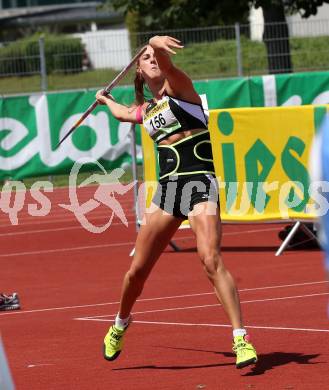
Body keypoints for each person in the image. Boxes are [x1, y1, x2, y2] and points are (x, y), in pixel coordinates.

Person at [96, 35, 257, 369]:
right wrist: (104, 100)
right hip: (168, 192)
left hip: (201, 184)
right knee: (136, 273)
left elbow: (168, 64)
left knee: (210, 259)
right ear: (138, 71)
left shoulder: (181, 88)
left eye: (155, 55)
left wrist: (154, 41)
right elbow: (126, 114)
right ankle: (120, 323)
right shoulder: (149, 109)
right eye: (145, 57)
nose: (153, 58)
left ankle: (241, 338)